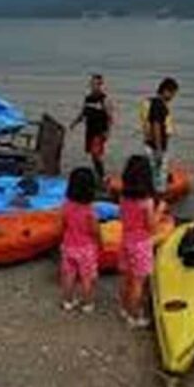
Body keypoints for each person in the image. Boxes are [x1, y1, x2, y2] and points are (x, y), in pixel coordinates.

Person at [118, 155, 161, 328]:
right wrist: (160, 210)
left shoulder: (122, 198)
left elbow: (123, 218)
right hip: (141, 245)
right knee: (138, 282)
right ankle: (134, 316)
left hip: (125, 241)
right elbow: (151, 227)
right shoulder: (147, 202)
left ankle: (123, 308)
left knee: (126, 278)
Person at [59, 167, 101, 313]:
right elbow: (95, 231)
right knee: (87, 277)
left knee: (69, 275)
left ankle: (67, 301)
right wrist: (100, 243)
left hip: (69, 246)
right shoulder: (89, 211)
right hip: (86, 249)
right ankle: (87, 303)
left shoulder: (66, 206)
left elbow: (63, 224)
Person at [140, 77, 179, 196]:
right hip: (156, 147)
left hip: (150, 145)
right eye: (173, 93)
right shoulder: (159, 105)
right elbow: (156, 126)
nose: (173, 97)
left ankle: (151, 203)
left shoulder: (153, 103)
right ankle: (157, 204)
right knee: (159, 180)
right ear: (166, 91)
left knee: (153, 176)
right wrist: (159, 150)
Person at [71, 74, 113, 181]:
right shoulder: (88, 99)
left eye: (97, 84)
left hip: (100, 131)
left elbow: (109, 116)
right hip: (90, 130)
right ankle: (99, 175)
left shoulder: (104, 99)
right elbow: (83, 113)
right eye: (93, 84)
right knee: (93, 155)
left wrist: (108, 131)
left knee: (96, 154)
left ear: (101, 85)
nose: (95, 86)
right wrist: (75, 123)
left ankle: (102, 175)